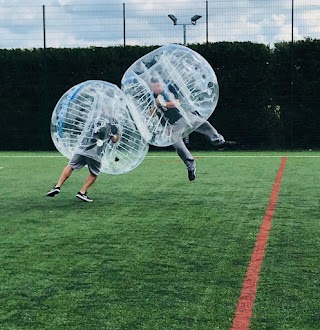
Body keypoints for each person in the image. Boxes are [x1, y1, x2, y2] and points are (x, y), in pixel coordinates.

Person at [149, 76, 236, 181]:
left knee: (204, 124)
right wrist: (155, 106)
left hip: (184, 117)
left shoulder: (169, 89)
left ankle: (219, 142)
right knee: (176, 143)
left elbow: (176, 103)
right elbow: (151, 114)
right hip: (173, 125)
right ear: (151, 87)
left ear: (161, 84)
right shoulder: (152, 97)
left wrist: (163, 103)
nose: (157, 88)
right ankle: (190, 167)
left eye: (158, 85)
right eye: (154, 87)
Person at [47, 116, 120, 202]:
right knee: (94, 174)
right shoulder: (113, 122)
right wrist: (118, 134)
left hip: (82, 148)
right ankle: (82, 192)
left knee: (70, 166)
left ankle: (57, 186)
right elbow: (114, 140)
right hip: (95, 152)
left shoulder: (95, 116)